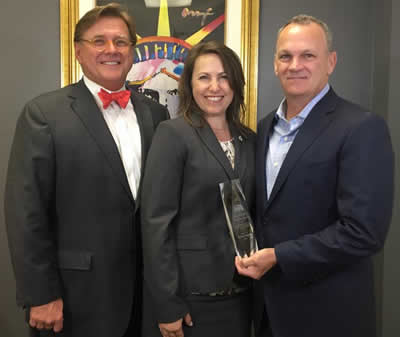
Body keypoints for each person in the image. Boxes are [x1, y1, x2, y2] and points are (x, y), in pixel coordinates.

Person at [4, 3, 169, 337]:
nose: (112, 50)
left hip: (145, 299)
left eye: (121, 42)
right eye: (99, 41)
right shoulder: (44, 114)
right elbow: (26, 212)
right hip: (74, 299)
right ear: (78, 51)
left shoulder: (155, 114)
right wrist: (41, 294)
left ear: (132, 51)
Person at [235, 14, 394, 337]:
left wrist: (279, 256)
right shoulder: (264, 127)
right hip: (269, 312)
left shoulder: (361, 127)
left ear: (330, 62)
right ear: (275, 64)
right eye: (286, 56)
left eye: (308, 55)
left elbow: (364, 232)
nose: (295, 65)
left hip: (328, 314)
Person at [140, 40, 256, 337]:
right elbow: (156, 224)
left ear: (236, 83)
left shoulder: (250, 139)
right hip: (190, 298)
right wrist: (167, 304)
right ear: (189, 84)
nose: (214, 86)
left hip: (241, 294)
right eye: (204, 77)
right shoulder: (173, 134)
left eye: (223, 77)